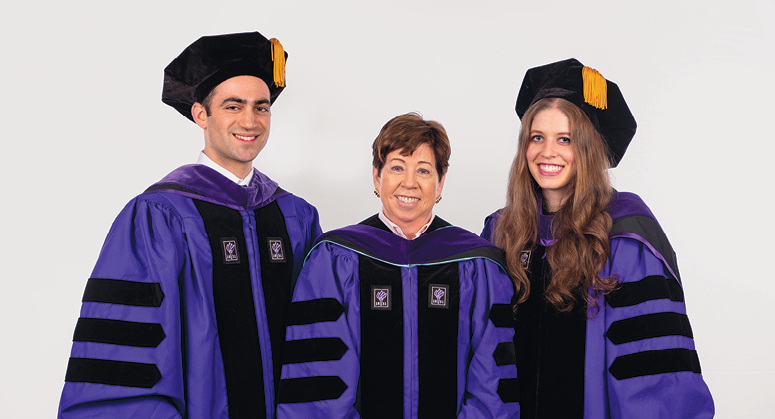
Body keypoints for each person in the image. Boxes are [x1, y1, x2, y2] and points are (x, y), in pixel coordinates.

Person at [57, 32, 322, 419]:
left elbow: (320, 340)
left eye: (260, 107)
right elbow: (129, 355)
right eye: (233, 106)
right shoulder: (157, 217)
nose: (250, 121)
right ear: (201, 114)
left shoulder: (296, 217)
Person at [481, 58, 714, 418]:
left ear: (588, 149)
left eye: (565, 139)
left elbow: (652, 377)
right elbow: (482, 354)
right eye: (537, 137)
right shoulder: (502, 233)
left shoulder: (624, 238)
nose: (547, 152)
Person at [275, 113, 519, 419]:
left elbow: (492, 384)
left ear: (440, 182)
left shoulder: (477, 265)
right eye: (397, 168)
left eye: (424, 170)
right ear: (377, 177)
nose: (409, 182)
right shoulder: (335, 258)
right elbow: (318, 381)